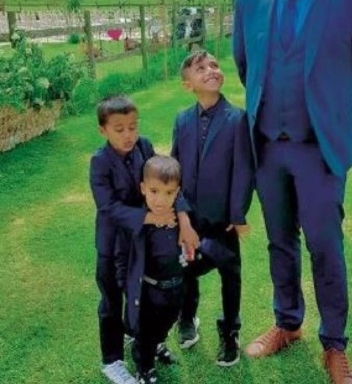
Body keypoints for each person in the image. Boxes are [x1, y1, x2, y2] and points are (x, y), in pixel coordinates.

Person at [232, 0, 352, 384]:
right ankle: (287, 323)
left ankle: (334, 345)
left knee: (325, 246)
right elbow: (246, 67)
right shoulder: (249, 1)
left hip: (319, 150)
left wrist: (330, 108)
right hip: (267, 147)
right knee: (279, 242)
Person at [89, 95, 198, 384]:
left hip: (143, 242)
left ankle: (148, 340)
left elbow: (166, 181)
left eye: (133, 127)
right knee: (112, 299)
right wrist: (149, 218)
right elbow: (107, 207)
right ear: (103, 130)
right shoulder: (100, 162)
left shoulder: (144, 146)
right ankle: (112, 360)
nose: (128, 135)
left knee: (145, 296)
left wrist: (184, 220)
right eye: (119, 129)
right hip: (113, 243)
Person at [172, 50, 254, 367]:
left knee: (230, 274)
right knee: (185, 269)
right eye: (201, 68)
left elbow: (243, 170)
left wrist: (237, 214)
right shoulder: (182, 120)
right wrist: (181, 215)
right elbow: (174, 171)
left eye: (215, 65)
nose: (211, 70)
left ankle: (230, 331)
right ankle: (187, 317)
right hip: (189, 220)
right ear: (188, 85)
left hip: (223, 221)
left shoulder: (238, 119)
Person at [127, 155, 193, 384]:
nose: (160, 200)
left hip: (176, 287)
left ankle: (158, 344)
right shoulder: (141, 222)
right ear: (143, 189)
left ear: (177, 193)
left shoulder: (179, 218)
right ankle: (144, 367)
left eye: (168, 193)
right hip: (150, 290)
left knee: (168, 321)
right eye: (154, 191)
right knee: (146, 331)